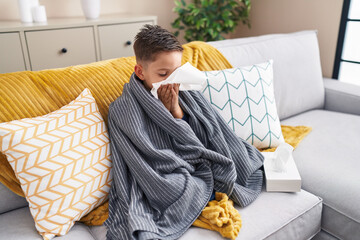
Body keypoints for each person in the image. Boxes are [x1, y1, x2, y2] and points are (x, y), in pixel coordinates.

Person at [105, 24, 264, 240]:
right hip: (168, 171)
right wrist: (162, 113)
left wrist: (176, 112)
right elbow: (145, 158)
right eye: (163, 74)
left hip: (196, 156)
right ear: (140, 72)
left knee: (234, 165)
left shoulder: (185, 91)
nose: (172, 80)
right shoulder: (122, 109)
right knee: (177, 189)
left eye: (176, 71)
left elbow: (210, 138)